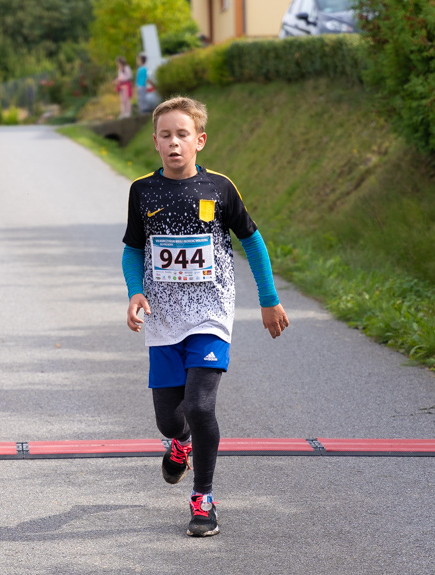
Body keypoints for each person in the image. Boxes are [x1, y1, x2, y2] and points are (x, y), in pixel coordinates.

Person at [121, 97, 289, 537]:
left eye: (182, 135)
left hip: (210, 313)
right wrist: (135, 291)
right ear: (155, 143)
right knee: (168, 418)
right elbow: (133, 249)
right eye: (165, 135)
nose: (174, 143)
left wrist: (268, 298)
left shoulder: (219, 188)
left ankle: (203, 497)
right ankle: (178, 445)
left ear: (200, 140)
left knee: (199, 405)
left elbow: (252, 241)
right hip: (163, 318)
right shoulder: (143, 191)